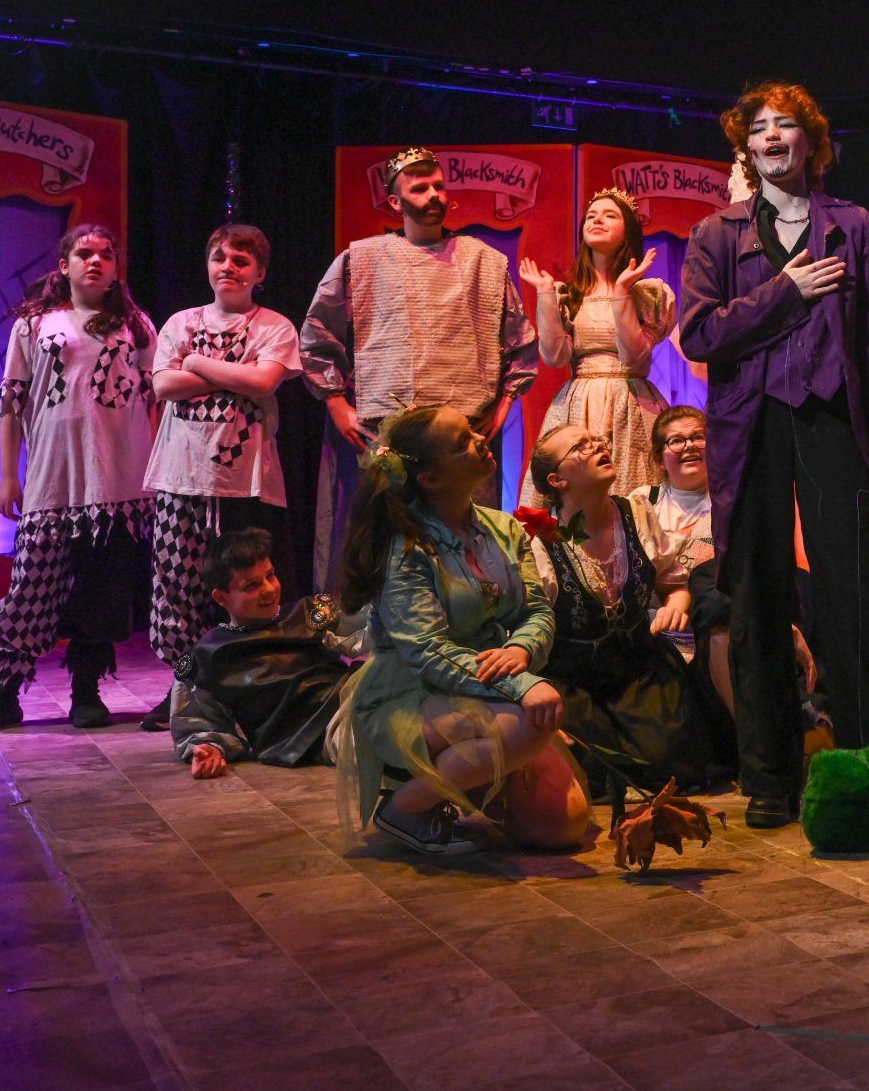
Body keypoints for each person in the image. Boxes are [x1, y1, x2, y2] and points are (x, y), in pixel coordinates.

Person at [679, 80, 869, 827]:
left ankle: (868, 765)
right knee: (757, 595)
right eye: (759, 129)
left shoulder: (852, 224)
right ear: (745, 148)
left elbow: (868, 335)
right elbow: (699, 335)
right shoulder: (717, 234)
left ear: (811, 141)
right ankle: (770, 776)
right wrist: (784, 290)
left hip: (830, 419)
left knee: (851, 592)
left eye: (785, 126)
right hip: (750, 426)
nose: (772, 137)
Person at [336, 405, 585, 856]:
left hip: (485, 683)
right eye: (462, 443)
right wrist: (521, 685)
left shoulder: (503, 528)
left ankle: (464, 778)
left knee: (562, 825)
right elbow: (427, 651)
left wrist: (522, 651)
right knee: (527, 726)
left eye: (472, 431)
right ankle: (404, 808)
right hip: (412, 691)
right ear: (431, 478)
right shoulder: (408, 547)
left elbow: (536, 611)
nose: (480, 440)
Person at [301, 147, 539, 588]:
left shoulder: (483, 260)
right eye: (420, 188)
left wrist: (505, 404)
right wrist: (335, 402)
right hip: (388, 428)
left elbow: (520, 341)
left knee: (464, 539)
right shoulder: (362, 258)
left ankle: (475, 617)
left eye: (439, 186)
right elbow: (318, 334)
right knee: (387, 543)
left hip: (464, 428)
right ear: (395, 201)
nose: (434, 195)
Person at [0, 225, 156, 734]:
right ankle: (4, 696)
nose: (96, 261)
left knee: (100, 591)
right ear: (64, 266)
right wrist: (8, 475)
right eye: (84, 253)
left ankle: (86, 691)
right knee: (31, 588)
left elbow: (158, 400)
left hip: (117, 486)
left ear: (116, 269)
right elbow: (11, 402)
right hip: (52, 479)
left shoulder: (135, 327)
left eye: (106, 254)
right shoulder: (34, 324)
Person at [142, 224, 303, 731]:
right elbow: (164, 386)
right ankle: (184, 687)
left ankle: (244, 686)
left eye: (240, 260)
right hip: (180, 477)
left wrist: (194, 361)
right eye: (219, 257)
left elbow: (264, 381)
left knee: (245, 585)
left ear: (260, 273)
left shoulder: (274, 325)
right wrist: (230, 372)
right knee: (177, 590)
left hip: (243, 483)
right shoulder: (180, 322)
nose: (228, 267)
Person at [524, 424, 726, 795]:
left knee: (677, 762)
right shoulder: (540, 542)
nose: (597, 446)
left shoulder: (635, 512)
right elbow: (528, 622)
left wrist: (676, 604)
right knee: (591, 768)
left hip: (637, 666)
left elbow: (672, 581)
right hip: (573, 675)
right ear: (557, 480)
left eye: (596, 439)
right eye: (581, 446)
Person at [624, 406, 819, 727]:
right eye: (676, 441)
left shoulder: (736, 499)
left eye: (698, 437)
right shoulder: (643, 502)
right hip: (667, 622)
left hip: (731, 616)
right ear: (659, 460)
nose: (689, 446)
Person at [519, 189, 676, 502]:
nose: (597, 220)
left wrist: (621, 292)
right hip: (579, 402)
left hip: (630, 400)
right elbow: (554, 357)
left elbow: (633, 359)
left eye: (609, 215)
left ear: (627, 231)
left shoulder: (647, 293)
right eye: (591, 216)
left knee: (634, 488)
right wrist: (545, 294)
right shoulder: (569, 294)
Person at [170, 528, 360, 778]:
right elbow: (195, 722)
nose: (269, 589)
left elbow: (376, 626)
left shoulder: (310, 613)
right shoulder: (207, 657)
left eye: (270, 575)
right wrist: (208, 748)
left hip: (357, 696)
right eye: (252, 585)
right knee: (387, 736)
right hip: (323, 731)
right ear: (221, 598)